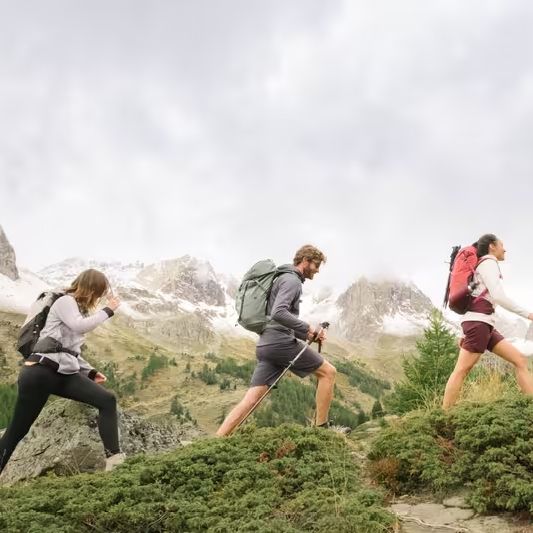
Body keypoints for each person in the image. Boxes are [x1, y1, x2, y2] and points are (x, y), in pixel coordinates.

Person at [0, 269, 124, 474]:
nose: (97, 299)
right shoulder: (66, 301)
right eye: (98, 293)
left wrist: (90, 372)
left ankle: (115, 461)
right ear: (90, 288)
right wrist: (108, 310)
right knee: (16, 431)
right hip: (40, 372)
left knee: (107, 400)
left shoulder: (77, 309)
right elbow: (79, 326)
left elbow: (68, 350)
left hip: (59, 373)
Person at [217, 244, 347, 436]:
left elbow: (275, 317)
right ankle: (321, 429)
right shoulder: (291, 281)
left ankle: (218, 439)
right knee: (328, 373)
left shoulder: (280, 279)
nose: (318, 270)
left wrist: (306, 335)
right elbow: (279, 313)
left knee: (251, 400)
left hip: (266, 344)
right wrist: (307, 328)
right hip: (279, 343)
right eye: (316, 265)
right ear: (305, 261)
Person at [442, 234, 533, 409]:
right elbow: (498, 296)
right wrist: (528, 314)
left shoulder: (482, 265)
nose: (504, 249)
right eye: (502, 245)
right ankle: (444, 417)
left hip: (484, 324)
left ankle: (530, 407)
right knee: (461, 370)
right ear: (492, 246)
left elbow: (481, 298)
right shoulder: (489, 262)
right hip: (479, 324)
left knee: (520, 360)